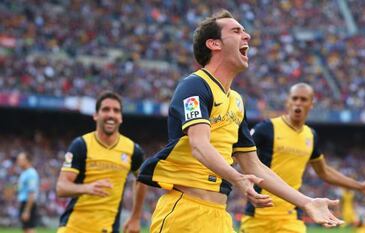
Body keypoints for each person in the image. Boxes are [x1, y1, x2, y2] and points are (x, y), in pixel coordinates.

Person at [138, 10, 344, 233]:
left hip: (220, 217)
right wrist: (238, 179)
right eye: (236, 31)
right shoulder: (194, 86)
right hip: (185, 213)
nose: (247, 36)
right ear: (214, 44)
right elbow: (199, 145)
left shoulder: (236, 101)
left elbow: (253, 165)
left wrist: (305, 202)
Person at [240, 83, 365, 233]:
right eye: (295, 98)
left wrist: (360, 186)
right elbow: (240, 153)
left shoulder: (310, 136)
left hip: (291, 216)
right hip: (259, 214)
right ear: (288, 102)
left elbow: (324, 172)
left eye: (303, 99)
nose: (298, 102)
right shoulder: (266, 128)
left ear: (311, 104)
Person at [56, 91, 147, 233]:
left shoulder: (133, 150)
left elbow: (142, 179)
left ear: (121, 117)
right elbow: (61, 187)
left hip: (107, 228)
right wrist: (86, 188)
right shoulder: (81, 145)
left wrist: (135, 217)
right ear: (95, 115)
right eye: (105, 109)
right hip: (73, 227)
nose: (111, 114)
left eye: (116, 111)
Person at [17, 152, 40, 233]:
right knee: (26, 229)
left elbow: (32, 193)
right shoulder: (24, 173)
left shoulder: (31, 173)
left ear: (27, 160)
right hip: (24, 203)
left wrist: (27, 210)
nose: (18, 161)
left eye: (20, 159)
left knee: (30, 229)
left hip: (28, 204)